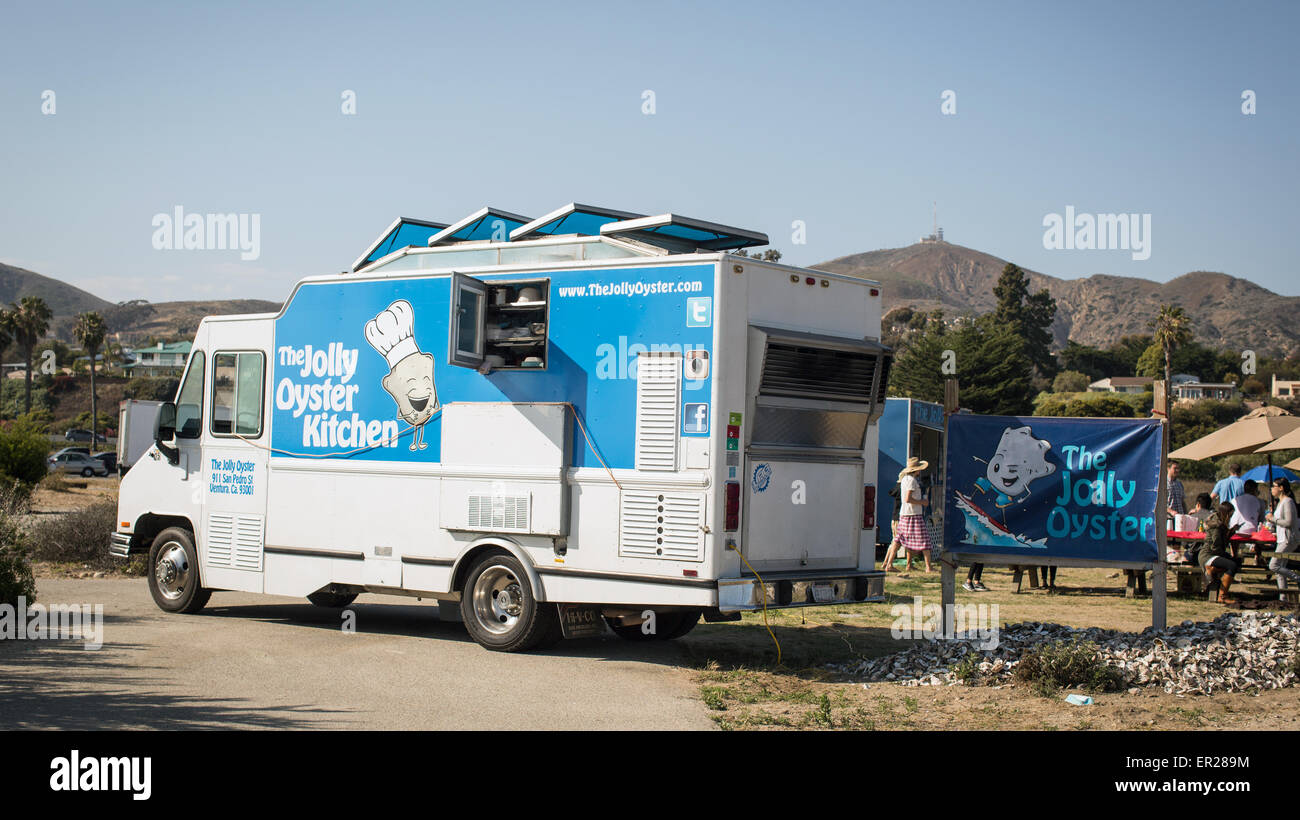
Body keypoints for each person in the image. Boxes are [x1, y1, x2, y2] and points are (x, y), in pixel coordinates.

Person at [896, 457, 934, 573]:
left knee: (904, 540)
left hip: (904, 513)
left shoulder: (904, 479)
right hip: (914, 514)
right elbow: (908, 498)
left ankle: (907, 564)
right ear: (917, 470)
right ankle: (928, 567)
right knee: (925, 540)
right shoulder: (912, 481)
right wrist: (922, 502)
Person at [1265, 477, 1300, 601]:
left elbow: (1289, 522)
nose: (1272, 489)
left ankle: (1297, 578)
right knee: (1280, 570)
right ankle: (1283, 598)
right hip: (1281, 538)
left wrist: (1272, 519)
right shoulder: (1280, 502)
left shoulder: (1288, 502)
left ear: (1281, 488)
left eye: (1274, 486)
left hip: (1288, 539)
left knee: (1273, 565)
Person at [1200, 502, 1242, 604]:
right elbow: (1216, 547)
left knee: (1236, 562)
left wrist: (1231, 532)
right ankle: (1222, 596)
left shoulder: (1219, 523)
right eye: (1230, 515)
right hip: (1208, 555)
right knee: (1232, 565)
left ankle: (1213, 570)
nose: (1231, 518)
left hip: (1213, 554)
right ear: (1226, 514)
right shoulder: (1217, 527)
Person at [881, 482, 903, 573]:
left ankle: (885, 562)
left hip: (895, 519)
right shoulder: (902, 489)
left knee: (894, 542)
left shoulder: (896, 489)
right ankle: (888, 564)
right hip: (898, 519)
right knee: (896, 542)